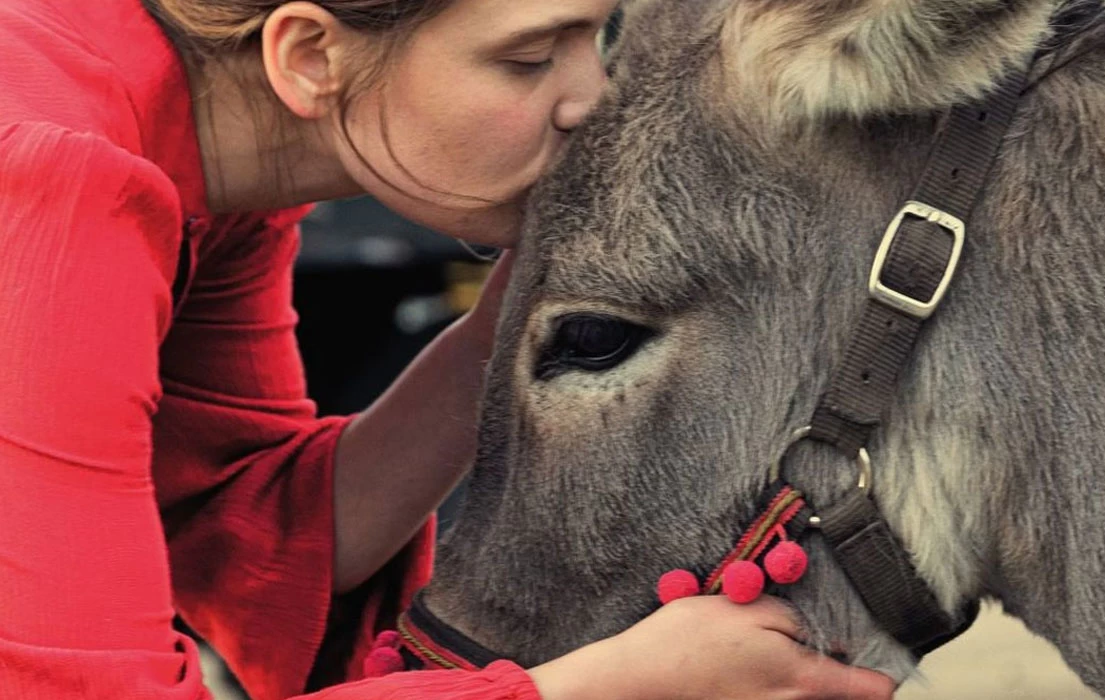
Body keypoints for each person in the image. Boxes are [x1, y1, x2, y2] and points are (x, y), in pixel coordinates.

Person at [0, 0, 898, 698]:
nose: (593, 101)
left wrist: (516, 321)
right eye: (528, 58)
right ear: (309, 56)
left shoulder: (201, 159)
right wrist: (599, 686)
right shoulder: (48, 185)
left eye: (598, 37)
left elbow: (244, 534)